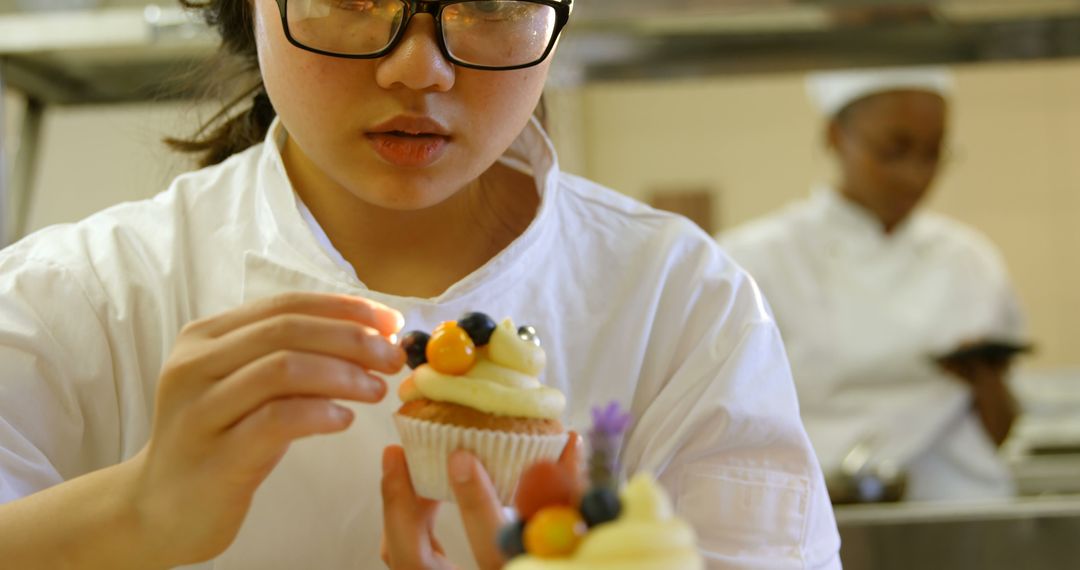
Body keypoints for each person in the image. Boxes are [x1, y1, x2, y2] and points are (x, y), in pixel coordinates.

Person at [0, 0, 840, 568]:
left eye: (490, 0)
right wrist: (136, 511)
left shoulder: (678, 302)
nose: (418, 69)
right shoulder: (80, 296)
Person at [720, 67, 1025, 503]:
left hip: (958, 509)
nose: (915, 175)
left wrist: (985, 376)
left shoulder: (970, 261)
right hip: (813, 517)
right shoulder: (754, 262)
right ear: (834, 136)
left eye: (933, 153)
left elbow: (998, 429)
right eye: (893, 150)